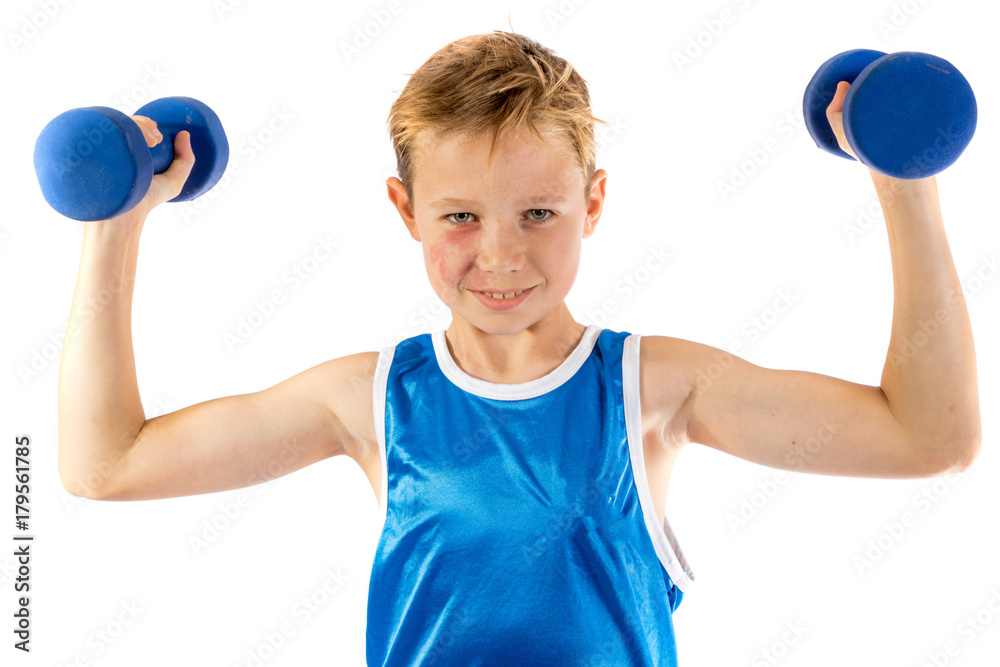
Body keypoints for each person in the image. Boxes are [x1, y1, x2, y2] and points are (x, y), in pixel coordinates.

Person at [58, 31, 981, 666]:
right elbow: (106, 464)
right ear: (405, 210)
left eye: (539, 213)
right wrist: (118, 225)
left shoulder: (651, 386)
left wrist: (904, 181)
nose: (500, 256)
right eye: (460, 216)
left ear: (594, 203)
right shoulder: (370, 400)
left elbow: (928, 437)